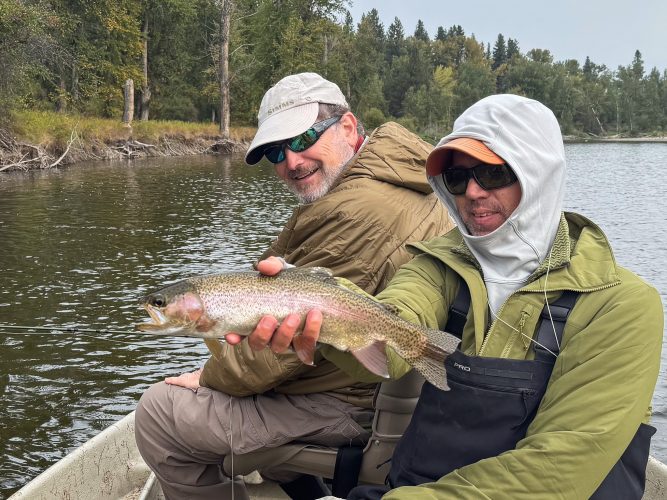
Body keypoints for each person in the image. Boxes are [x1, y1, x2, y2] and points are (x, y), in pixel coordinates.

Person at [240, 94, 664, 499]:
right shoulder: (438, 264)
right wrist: (317, 301)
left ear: (539, 173)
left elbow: (557, 469)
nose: (473, 193)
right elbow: (389, 337)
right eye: (458, 178)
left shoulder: (623, 305)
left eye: (493, 173)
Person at [134, 72, 454, 499]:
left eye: (302, 140)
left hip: (351, 404)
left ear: (347, 126)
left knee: (157, 413)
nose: (291, 161)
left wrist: (210, 377)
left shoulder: (354, 214)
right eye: (274, 152)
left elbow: (273, 360)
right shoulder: (407, 176)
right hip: (374, 391)